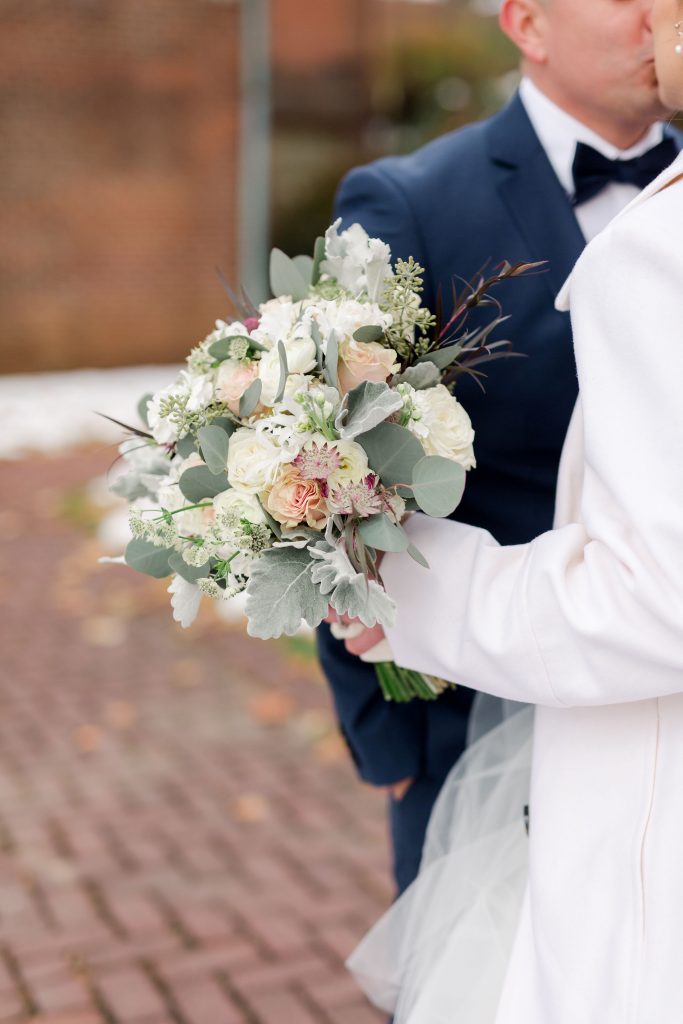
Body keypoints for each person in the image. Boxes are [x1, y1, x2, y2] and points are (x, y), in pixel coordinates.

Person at [342, 1, 683, 1020]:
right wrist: (390, 749)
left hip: (624, 715)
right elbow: (332, 465)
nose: (649, 13)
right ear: (525, 23)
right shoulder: (410, 201)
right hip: (460, 722)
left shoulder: (658, 234)